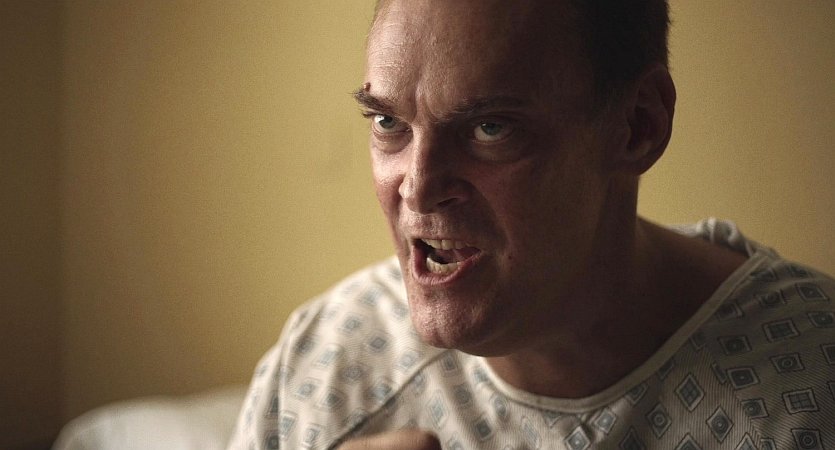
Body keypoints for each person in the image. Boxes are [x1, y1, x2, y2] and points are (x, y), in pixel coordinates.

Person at [228, 0, 835, 448]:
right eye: (388, 124)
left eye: (489, 128)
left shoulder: (814, 386)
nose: (419, 187)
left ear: (638, 126)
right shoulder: (322, 368)